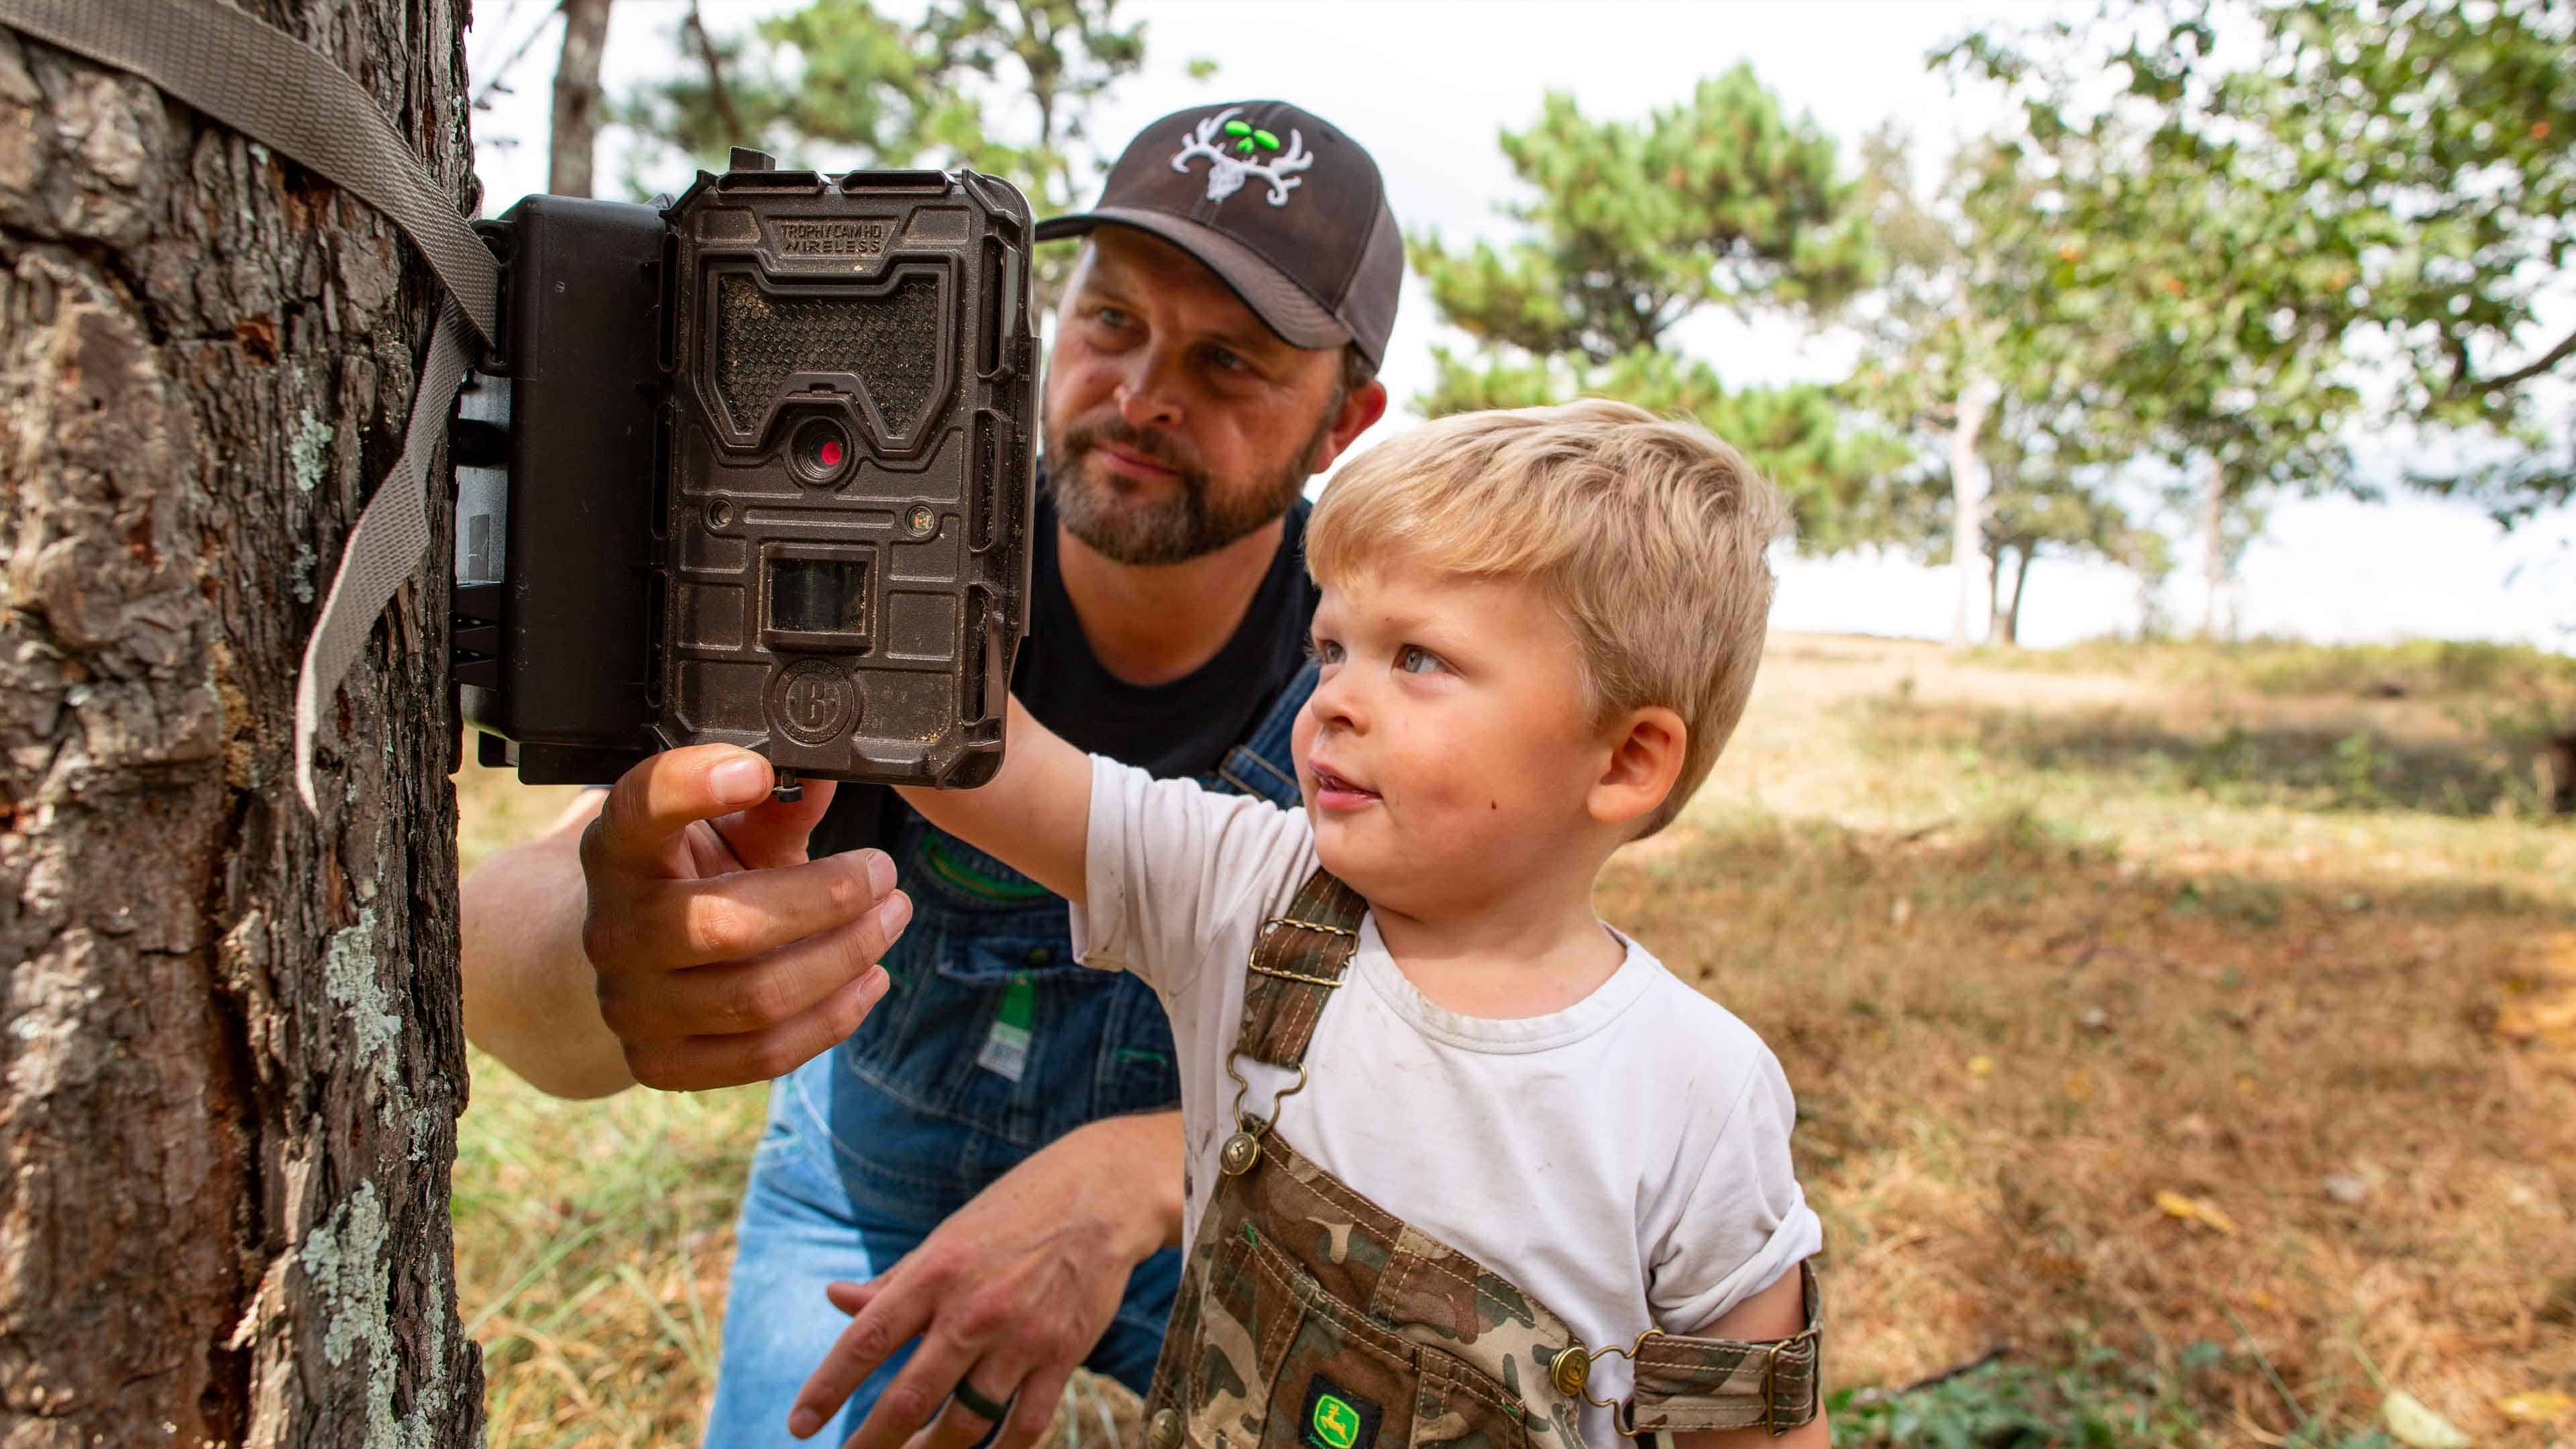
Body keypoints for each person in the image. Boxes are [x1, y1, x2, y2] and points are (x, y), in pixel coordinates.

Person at [459, 99, 1402, 1449]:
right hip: (868, 1204)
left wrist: (1143, 1169)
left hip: (1233, 1208)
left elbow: (1479, 1046)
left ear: (1344, 421)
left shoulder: (1380, 678)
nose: (1139, 397)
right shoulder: (876, 540)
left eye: (1231, 362)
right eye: (1112, 322)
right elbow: (514, 931)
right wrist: (616, 955)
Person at [789, 401, 1829, 1449]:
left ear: (1625, 762)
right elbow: (993, 765)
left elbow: (1755, 1430)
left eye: (1416, 658)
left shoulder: (1697, 1092)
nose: (1332, 701)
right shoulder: (1250, 889)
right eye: (1332, 649)